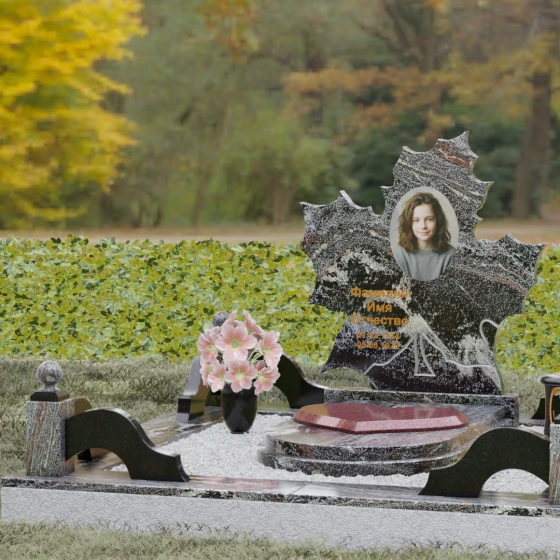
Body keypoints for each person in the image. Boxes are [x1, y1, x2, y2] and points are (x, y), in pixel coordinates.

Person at [392, 192, 456, 281]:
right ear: (409, 223)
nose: (423, 226)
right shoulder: (400, 253)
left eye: (429, 219)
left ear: (438, 221)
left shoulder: (451, 255)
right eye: (416, 220)